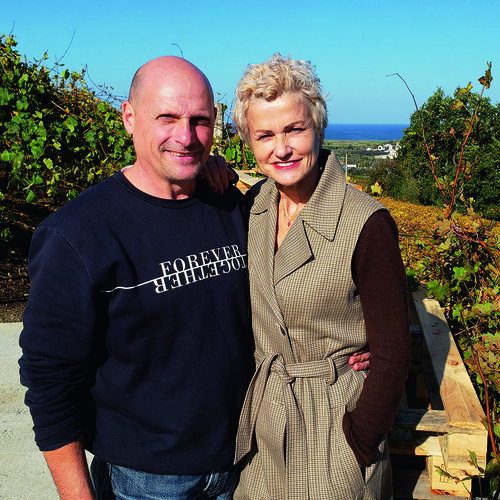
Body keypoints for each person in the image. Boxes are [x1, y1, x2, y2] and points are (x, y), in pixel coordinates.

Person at [19, 55, 369, 500]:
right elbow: (49, 380)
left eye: (200, 121)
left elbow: (297, 284)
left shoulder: (233, 207)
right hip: (148, 481)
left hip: (249, 462)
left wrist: (355, 341)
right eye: (167, 117)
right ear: (129, 117)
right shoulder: (77, 235)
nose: (185, 137)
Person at [228, 54, 411, 499]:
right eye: (265, 135)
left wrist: (360, 440)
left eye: (294, 129)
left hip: (335, 430)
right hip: (264, 429)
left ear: (319, 128)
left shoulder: (365, 224)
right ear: (249, 142)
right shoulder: (253, 207)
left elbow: (392, 351)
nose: (281, 149)